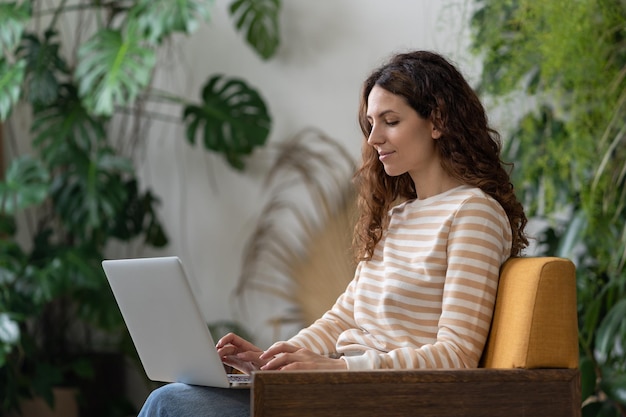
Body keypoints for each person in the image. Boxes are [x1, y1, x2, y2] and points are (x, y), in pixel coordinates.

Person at [137, 50, 528, 416]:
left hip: (377, 398)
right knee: (171, 399)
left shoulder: (473, 213)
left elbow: (455, 356)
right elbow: (344, 317)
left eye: (391, 122)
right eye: (371, 124)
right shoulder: (400, 215)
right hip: (342, 386)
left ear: (438, 120)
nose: (374, 139)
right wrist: (274, 358)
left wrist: (336, 369)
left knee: (170, 404)